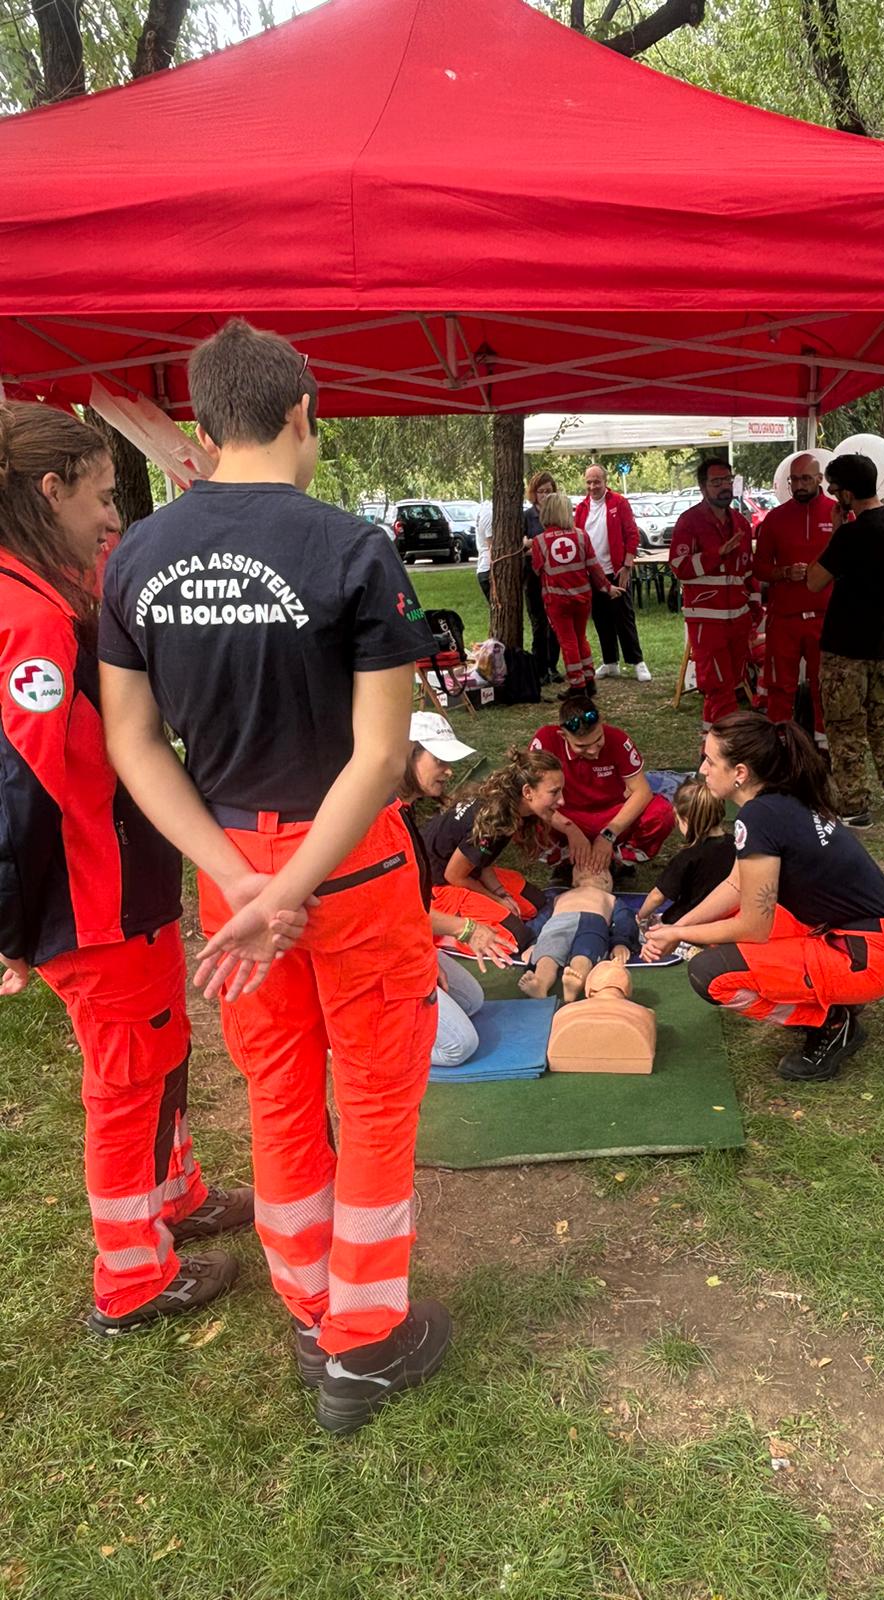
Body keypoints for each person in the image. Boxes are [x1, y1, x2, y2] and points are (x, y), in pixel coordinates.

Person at [98, 318, 447, 1436]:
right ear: (306, 411)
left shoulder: (136, 557)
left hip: (231, 872)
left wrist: (244, 881)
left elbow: (136, 743)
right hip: (344, 869)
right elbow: (383, 755)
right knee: (379, 1093)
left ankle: (310, 1305)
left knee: (280, 1091)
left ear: (202, 425)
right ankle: (365, 1337)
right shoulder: (352, 548)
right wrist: (293, 885)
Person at [0, 403, 258, 1336]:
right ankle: (132, 1278)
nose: (113, 517)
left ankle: (176, 1196)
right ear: (49, 491)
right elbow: (35, 786)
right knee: (125, 1083)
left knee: (160, 1052)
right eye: (103, 498)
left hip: (118, 894)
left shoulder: (43, 582)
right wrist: (14, 930)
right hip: (93, 904)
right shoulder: (28, 616)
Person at [642, 712, 884, 1083]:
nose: (702, 769)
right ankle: (832, 998)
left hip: (867, 955)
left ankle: (832, 1023)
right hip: (862, 938)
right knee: (736, 924)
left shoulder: (758, 817)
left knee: (711, 975)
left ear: (740, 772)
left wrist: (678, 936)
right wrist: (677, 926)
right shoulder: (778, 800)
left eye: (709, 760)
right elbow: (736, 887)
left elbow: (753, 925)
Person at [398, 713, 517, 1068]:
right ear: (408, 754)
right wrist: (465, 928)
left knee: (471, 1000)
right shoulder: (378, 815)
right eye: (439, 760)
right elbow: (392, 910)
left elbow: (408, 904)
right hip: (378, 949)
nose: (448, 771)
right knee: (458, 1047)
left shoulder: (404, 811)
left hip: (405, 935)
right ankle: (363, 1044)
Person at [807, 453, 884, 829]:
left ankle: (853, 805)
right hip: (879, 645)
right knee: (882, 719)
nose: (832, 495)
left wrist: (835, 533)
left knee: (844, 727)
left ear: (848, 493)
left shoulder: (852, 534)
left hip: (845, 648)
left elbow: (814, 580)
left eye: (834, 489)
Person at [421, 746, 558, 949]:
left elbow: (481, 860)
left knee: (535, 903)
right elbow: (454, 876)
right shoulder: (495, 819)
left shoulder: (505, 806)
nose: (561, 800)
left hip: (464, 870)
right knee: (516, 937)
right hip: (436, 884)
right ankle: (444, 935)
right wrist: (496, 899)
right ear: (527, 792)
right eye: (554, 793)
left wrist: (502, 894)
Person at [530, 695, 674, 875]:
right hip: (566, 814)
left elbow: (642, 792)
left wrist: (609, 834)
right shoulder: (546, 740)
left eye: (598, 741)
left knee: (662, 813)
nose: (593, 751)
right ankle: (562, 857)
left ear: (602, 724)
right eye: (582, 746)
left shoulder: (618, 739)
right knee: (521, 809)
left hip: (612, 815)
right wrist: (570, 830)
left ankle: (621, 859)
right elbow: (532, 795)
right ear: (563, 736)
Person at [670, 459, 759, 732]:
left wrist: (755, 609)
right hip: (707, 623)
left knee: (730, 686)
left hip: (739, 622)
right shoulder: (690, 522)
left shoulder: (741, 523)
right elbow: (679, 568)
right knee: (718, 688)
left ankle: (710, 748)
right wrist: (716, 554)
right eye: (716, 482)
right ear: (702, 486)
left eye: (728, 480)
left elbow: (747, 572)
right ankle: (727, 747)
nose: (724, 487)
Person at [752, 453, 836, 733]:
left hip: (825, 618)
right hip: (784, 619)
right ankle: (781, 746)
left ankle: (825, 750)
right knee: (779, 688)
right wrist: (784, 572)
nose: (799, 485)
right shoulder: (776, 517)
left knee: (823, 687)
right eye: (794, 480)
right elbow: (759, 568)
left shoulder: (837, 514)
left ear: (819, 479)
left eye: (805, 479)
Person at [529, 490, 619, 693]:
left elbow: (536, 568)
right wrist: (607, 587)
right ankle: (589, 679)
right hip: (583, 597)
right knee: (581, 638)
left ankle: (577, 685)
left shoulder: (540, 541)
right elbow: (594, 567)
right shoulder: (581, 536)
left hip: (557, 600)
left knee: (567, 642)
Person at [573, 463, 650, 681]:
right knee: (600, 618)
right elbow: (578, 537)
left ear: (605, 482)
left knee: (624, 617)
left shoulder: (619, 502)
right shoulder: (581, 508)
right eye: (588, 482)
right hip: (592, 574)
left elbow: (631, 535)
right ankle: (610, 662)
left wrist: (627, 565)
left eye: (596, 481)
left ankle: (637, 662)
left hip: (616, 570)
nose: (592, 486)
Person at [519, 869, 641, 1001]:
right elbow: (541, 919)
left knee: (585, 954)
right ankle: (540, 984)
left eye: (598, 870)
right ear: (574, 880)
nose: (590, 867)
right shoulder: (559, 897)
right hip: (558, 923)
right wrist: (533, 943)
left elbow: (625, 920)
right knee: (547, 954)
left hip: (593, 923)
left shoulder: (610, 899)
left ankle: (574, 984)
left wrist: (621, 942)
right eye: (582, 868)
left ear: (607, 882)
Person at [636, 776, 734, 929]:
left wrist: (640, 916)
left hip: (687, 922)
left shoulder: (687, 857)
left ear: (686, 821)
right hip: (727, 917)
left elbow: (657, 896)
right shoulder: (736, 845)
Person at [523, 471, 563, 684]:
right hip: (534, 577)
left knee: (556, 621)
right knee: (539, 623)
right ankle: (539, 669)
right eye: (541, 491)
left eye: (549, 491)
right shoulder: (527, 516)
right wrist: (531, 545)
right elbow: (523, 545)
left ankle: (552, 666)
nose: (545, 495)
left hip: (556, 576)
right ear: (534, 493)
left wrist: (536, 544)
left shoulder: (558, 515)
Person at [475, 497, 492, 603]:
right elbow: (492, 547)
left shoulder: (485, 509)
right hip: (488, 570)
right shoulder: (490, 514)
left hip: (484, 568)